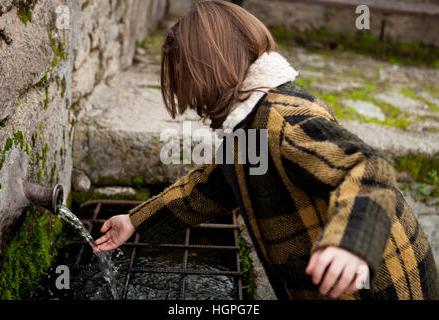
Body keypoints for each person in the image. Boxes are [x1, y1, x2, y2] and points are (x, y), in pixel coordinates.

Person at [93, 0, 438, 300]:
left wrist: (351, 243)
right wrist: (134, 222)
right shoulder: (249, 121)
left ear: (210, 71)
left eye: (188, 83)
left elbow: (367, 167)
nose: (191, 101)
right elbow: (210, 186)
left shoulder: (281, 120)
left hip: (382, 283)